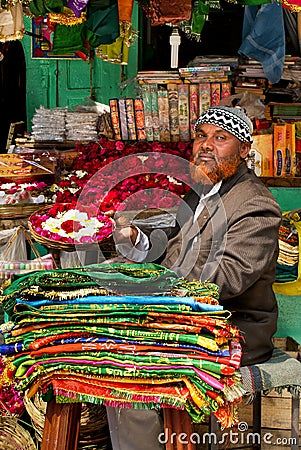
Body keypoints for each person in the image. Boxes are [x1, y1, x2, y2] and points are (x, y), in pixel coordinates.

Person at [106, 105, 282, 450]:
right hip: (187, 317)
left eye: (221, 138)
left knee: (132, 373)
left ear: (244, 150)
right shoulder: (202, 192)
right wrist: (134, 239)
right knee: (114, 354)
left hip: (233, 328)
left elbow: (229, 277)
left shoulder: (256, 205)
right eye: (201, 136)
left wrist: (156, 283)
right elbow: (169, 242)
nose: (206, 145)